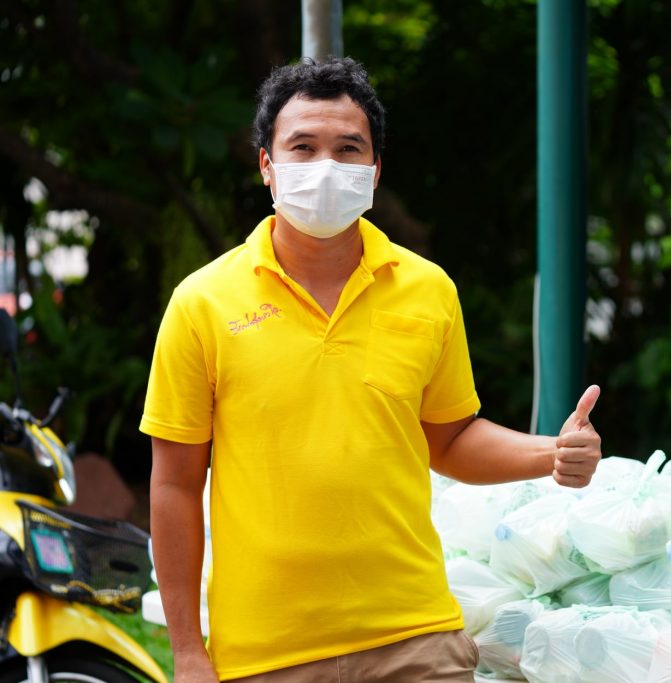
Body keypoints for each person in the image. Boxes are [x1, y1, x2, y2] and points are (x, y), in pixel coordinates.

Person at [141, 56, 602, 683]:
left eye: (348, 148)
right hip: (266, 657)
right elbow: (174, 485)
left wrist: (552, 454)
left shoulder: (428, 290)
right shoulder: (202, 303)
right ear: (267, 165)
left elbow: (450, 439)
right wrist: (188, 653)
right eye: (303, 147)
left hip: (415, 643)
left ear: (375, 169)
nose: (326, 166)